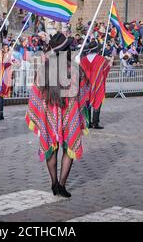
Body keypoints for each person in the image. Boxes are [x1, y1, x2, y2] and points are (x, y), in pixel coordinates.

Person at [26, 33, 89, 198]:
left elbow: (35, 95)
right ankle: (62, 184)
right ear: (67, 51)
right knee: (68, 150)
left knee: (51, 148)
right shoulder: (75, 70)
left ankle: (54, 183)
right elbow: (84, 93)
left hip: (49, 115)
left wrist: (41, 114)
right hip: (70, 115)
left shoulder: (42, 70)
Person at [80, 41, 111, 130]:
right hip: (97, 84)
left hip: (86, 85)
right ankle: (95, 122)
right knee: (97, 102)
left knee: (87, 103)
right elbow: (106, 69)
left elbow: (80, 72)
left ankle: (88, 122)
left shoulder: (83, 60)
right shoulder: (101, 59)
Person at [0, 43, 14, 120]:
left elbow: (14, 63)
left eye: (7, 48)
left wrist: (10, 57)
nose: (7, 49)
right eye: (5, 48)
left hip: (3, 78)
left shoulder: (7, 56)